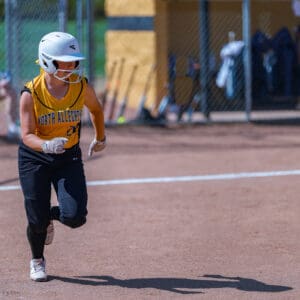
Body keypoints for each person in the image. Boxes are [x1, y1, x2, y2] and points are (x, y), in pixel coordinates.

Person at [18, 31, 106, 282]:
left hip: (68, 157)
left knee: (75, 216)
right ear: (46, 60)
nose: (70, 67)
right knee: (35, 220)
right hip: (35, 158)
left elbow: (96, 110)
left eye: (74, 61)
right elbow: (26, 135)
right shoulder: (30, 93)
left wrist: (101, 138)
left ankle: (47, 217)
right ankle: (37, 260)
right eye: (63, 62)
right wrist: (46, 146)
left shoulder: (81, 87)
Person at [0, 71, 20, 140]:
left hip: (7, 92)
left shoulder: (11, 92)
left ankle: (13, 127)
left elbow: (6, 83)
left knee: (11, 93)